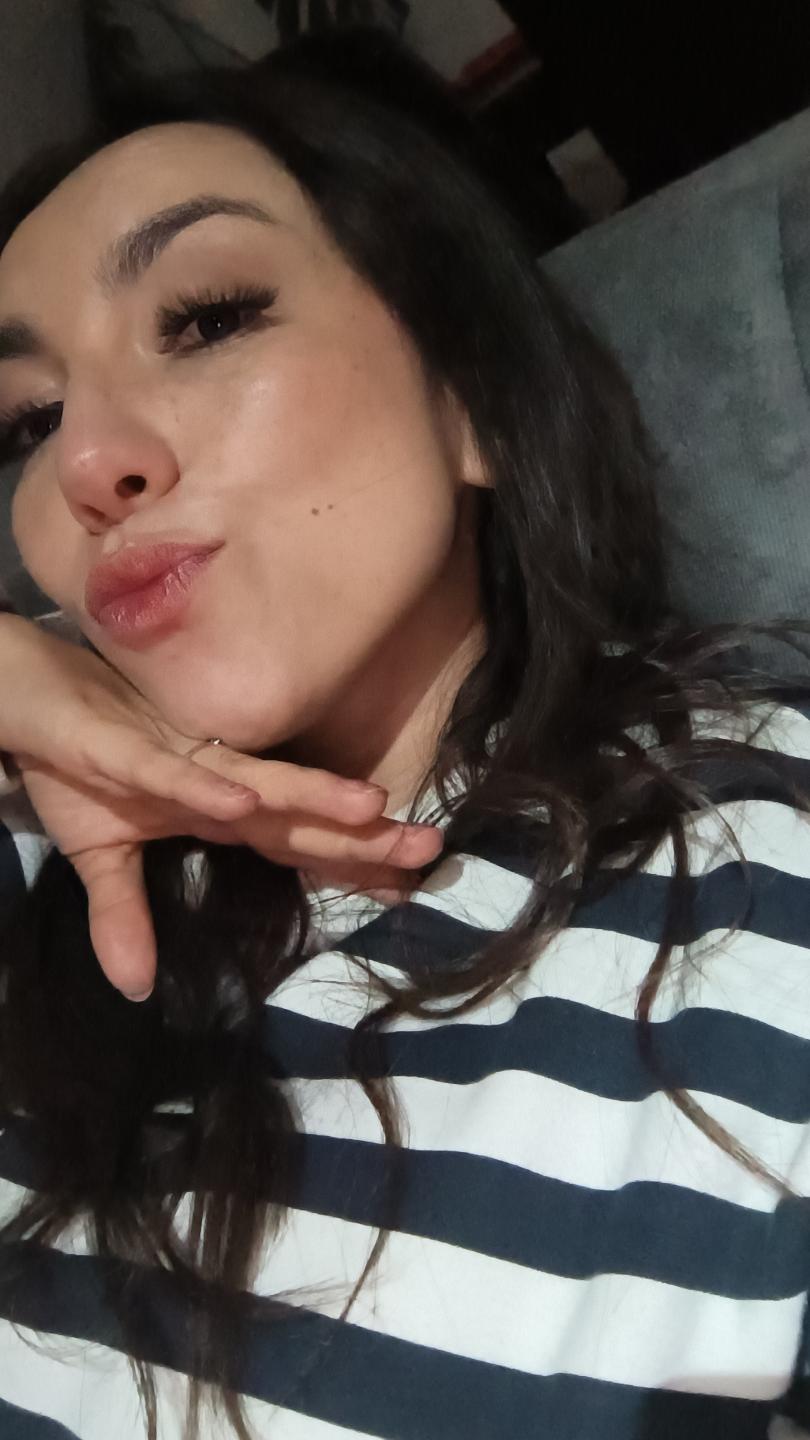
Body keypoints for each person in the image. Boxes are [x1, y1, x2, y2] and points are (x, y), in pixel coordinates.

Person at [0, 29, 809, 1440]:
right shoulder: (39, 864)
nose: (84, 461)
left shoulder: (756, 848)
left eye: (206, 318)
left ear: (470, 395)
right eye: (25, 419)